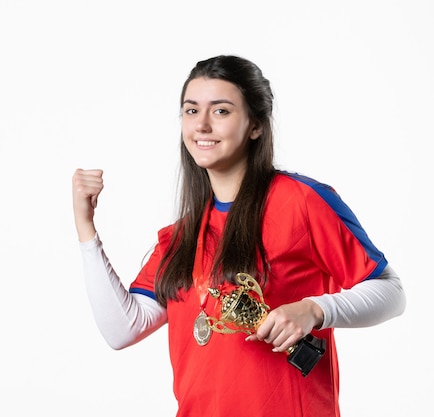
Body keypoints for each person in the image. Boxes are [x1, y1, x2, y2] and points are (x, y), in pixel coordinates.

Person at [71, 55, 406, 417]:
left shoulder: (302, 201)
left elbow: (391, 292)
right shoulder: (181, 236)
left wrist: (315, 310)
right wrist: (86, 228)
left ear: (255, 126)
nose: (201, 125)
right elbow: (123, 328)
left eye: (221, 111)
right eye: (190, 110)